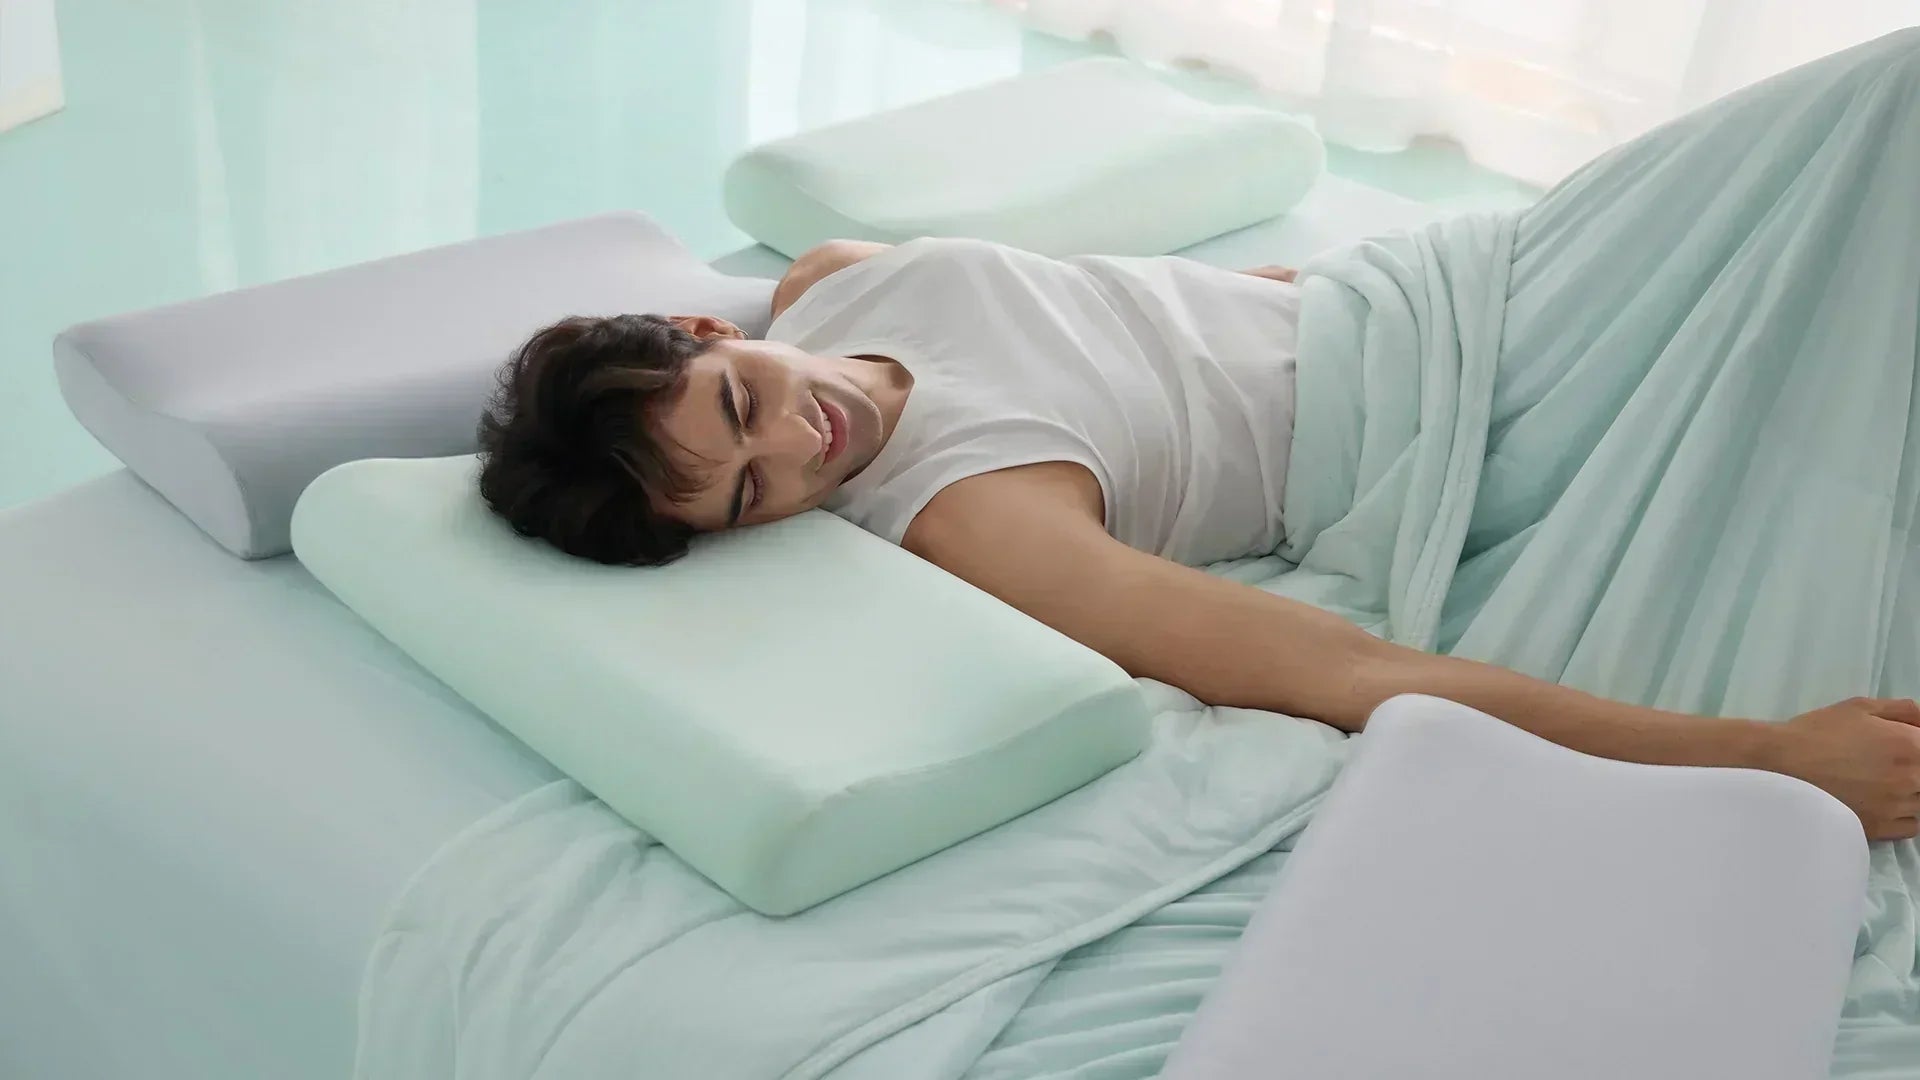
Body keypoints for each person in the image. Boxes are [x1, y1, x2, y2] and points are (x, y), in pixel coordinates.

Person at [475, 233, 1920, 841]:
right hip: (1504, 405)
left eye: (743, 402)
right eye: (748, 498)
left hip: (1457, 274)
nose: (798, 449)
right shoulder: (978, 519)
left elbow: (1134, 303)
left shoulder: (836, 276)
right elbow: (1343, 674)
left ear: (715, 324)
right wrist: (1771, 761)